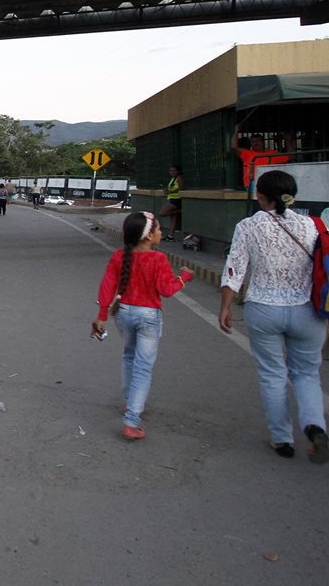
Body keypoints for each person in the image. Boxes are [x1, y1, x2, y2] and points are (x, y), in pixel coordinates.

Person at [218, 170, 328, 462]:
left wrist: (226, 306)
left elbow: (234, 270)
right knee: (307, 374)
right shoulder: (313, 226)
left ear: (259, 195)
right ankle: (315, 426)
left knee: (272, 375)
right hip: (307, 312)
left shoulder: (248, 226)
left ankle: (282, 439)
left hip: (263, 309)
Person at [93, 211, 193, 440]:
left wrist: (101, 316)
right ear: (148, 235)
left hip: (124, 313)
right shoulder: (158, 259)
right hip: (148, 316)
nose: (160, 232)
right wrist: (184, 278)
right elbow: (167, 290)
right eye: (158, 229)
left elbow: (107, 286)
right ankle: (131, 420)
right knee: (143, 367)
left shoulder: (119, 256)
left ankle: (131, 403)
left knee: (129, 356)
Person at [158, 166, 182, 241]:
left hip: (177, 200)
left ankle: (180, 211)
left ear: (177, 171)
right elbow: (170, 188)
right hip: (171, 199)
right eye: (170, 171)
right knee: (173, 219)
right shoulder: (172, 179)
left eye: (174, 171)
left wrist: (170, 192)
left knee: (162, 213)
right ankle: (170, 236)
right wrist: (166, 190)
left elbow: (180, 188)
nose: (172, 172)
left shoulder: (179, 178)